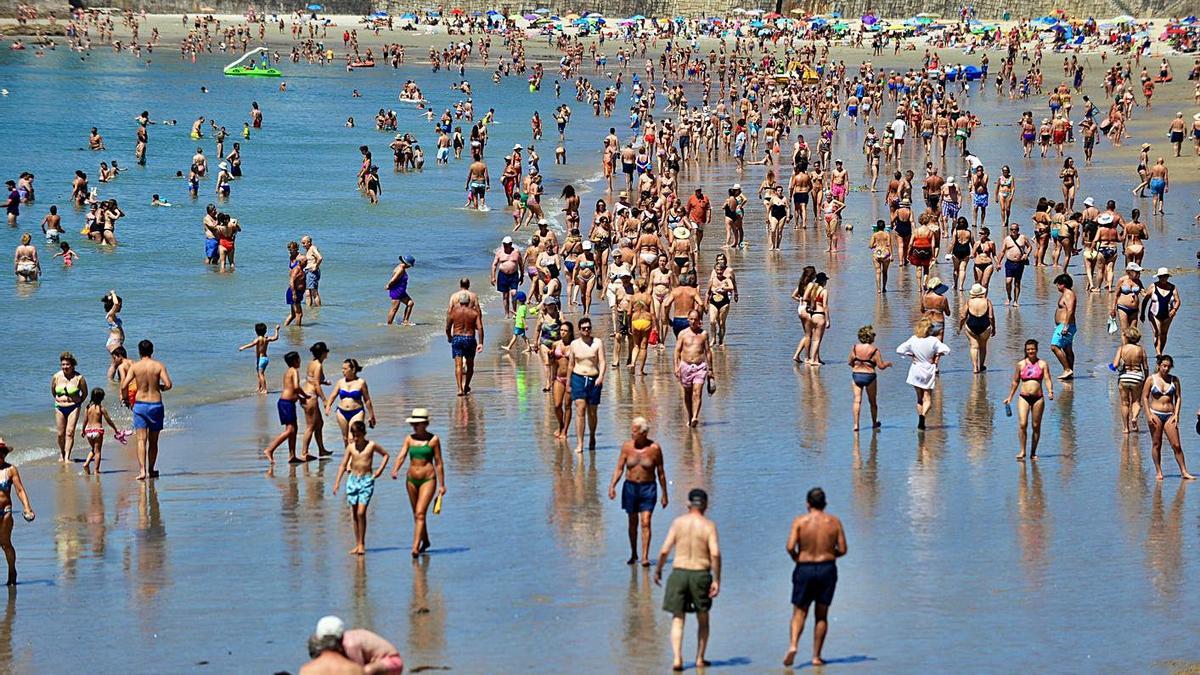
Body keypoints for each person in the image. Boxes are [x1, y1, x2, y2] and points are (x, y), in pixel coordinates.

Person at [655, 488, 721, 672]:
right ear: (706, 505)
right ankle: (700, 658)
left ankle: (677, 658)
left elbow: (664, 550)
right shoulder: (709, 526)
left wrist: (658, 570)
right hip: (700, 573)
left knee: (678, 618)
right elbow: (715, 553)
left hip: (679, 572)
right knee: (703, 618)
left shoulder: (678, 523)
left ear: (688, 504)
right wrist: (717, 579)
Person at [783, 487, 847, 668]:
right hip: (827, 568)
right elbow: (843, 549)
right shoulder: (834, 522)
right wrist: (829, 554)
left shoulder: (800, 521)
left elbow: (789, 546)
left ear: (807, 504)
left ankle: (794, 644)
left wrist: (797, 557)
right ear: (824, 504)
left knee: (799, 611)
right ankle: (816, 656)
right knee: (821, 614)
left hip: (804, 568)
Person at [607, 417, 668, 566]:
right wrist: (612, 485)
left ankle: (645, 556)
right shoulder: (627, 447)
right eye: (631, 431)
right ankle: (634, 553)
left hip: (648, 488)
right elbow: (619, 468)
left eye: (634, 432)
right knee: (632, 522)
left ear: (644, 433)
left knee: (646, 521)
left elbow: (661, 472)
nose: (631, 434)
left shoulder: (654, 449)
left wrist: (664, 494)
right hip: (630, 487)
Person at [390, 408, 446, 558]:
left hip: (428, 479)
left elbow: (439, 462)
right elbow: (401, 456)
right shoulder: (409, 439)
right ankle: (425, 541)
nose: (414, 427)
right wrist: (395, 469)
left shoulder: (433, 440)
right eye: (413, 424)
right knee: (417, 514)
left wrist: (442, 485)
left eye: (418, 424)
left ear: (425, 424)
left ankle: (415, 547)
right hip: (411, 480)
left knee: (421, 513)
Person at [333, 421, 389, 555]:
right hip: (352, 480)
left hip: (366, 480)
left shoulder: (371, 445)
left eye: (358, 435)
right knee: (354, 514)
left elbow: (386, 455)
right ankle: (357, 544)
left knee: (361, 512)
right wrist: (337, 482)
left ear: (364, 434)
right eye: (354, 435)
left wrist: (379, 471)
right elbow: (343, 465)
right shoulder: (351, 448)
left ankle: (362, 543)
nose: (356, 438)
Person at [120, 340, 172, 480]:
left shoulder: (135, 367)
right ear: (152, 350)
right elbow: (168, 385)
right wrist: (159, 388)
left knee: (141, 440)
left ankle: (142, 471)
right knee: (153, 441)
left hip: (140, 405)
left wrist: (125, 398)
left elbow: (124, 384)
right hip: (155, 404)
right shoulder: (158, 366)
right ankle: (151, 469)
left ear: (139, 351)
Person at [1141, 356, 1195, 481]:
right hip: (1155, 413)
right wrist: (1148, 415)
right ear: (1159, 365)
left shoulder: (1174, 380)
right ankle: (1159, 471)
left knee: (1176, 445)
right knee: (1156, 443)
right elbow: (1144, 397)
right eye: (1164, 366)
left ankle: (1184, 471)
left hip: (1170, 415)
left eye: (1169, 366)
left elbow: (1178, 397)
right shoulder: (1151, 379)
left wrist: (1177, 414)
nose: (1166, 368)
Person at [1004, 340, 1055, 461]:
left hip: (1038, 398)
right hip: (1023, 397)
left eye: (1033, 349)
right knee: (1023, 424)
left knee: (1036, 426)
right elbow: (1015, 382)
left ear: (1036, 350)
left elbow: (1047, 379)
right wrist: (1010, 397)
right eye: (1028, 349)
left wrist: (1050, 391)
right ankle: (1022, 451)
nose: (1031, 351)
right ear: (1025, 350)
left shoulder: (1042, 364)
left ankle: (1033, 452)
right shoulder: (1020, 364)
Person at [896, 318, 950, 430]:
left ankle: (920, 418)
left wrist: (911, 354)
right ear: (929, 329)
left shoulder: (913, 339)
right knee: (928, 397)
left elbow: (899, 350)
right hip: (928, 369)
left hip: (916, 368)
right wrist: (936, 356)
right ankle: (923, 416)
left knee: (919, 398)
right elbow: (946, 350)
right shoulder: (933, 340)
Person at [263, 352, 311, 464]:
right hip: (286, 403)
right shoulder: (294, 371)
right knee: (290, 430)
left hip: (286, 402)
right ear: (295, 361)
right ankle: (270, 449)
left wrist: (299, 397)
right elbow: (296, 386)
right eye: (299, 359)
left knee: (294, 429)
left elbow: (290, 389)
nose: (300, 361)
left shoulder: (288, 372)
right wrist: (305, 395)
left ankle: (292, 456)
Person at [568, 316, 606, 453]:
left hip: (594, 378)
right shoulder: (574, 344)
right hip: (578, 378)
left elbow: (602, 361)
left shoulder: (597, 343)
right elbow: (571, 364)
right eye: (583, 329)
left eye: (588, 328)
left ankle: (592, 436)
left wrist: (601, 376)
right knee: (580, 410)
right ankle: (580, 443)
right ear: (579, 330)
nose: (586, 331)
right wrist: (568, 382)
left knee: (592, 412)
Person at [0, 439, 34, 587]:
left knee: (5, 544)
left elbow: (20, 490)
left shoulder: (10, 469)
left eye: (1, 453)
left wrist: (27, 508)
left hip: (5, 512)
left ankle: (12, 571)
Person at [848, 325, 892, 431]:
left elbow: (850, 362)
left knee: (857, 401)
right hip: (870, 376)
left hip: (856, 375)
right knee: (872, 402)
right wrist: (888, 364)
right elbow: (881, 366)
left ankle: (856, 425)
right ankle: (874, 422)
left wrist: (858, 365)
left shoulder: (855, 348)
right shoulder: (874, 350)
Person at [674, 310, 714, 428]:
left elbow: (708, 352)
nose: (693, 322)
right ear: (688, 319)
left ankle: (696, 416)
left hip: (700, 367)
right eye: (691, 319)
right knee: (687, 394)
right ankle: (690, 416)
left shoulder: (704, 334)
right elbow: (677, 351)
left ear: (699, 321)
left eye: (695, 319)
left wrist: (711, 369)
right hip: (685, 366)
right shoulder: (682, 334)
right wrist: (676, 367)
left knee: (697, 392)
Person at [325, 359, 376, 447]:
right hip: (342, 412)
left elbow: (367, 399)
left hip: (357, 412)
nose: (342, 371)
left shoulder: (361, 383)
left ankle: (354, 457)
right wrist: (328, 406)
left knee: (351, 437)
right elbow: (333, 395)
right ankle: (348, 457)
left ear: (353, 370)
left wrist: (372, 415)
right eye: (342, 369)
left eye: (345, 369)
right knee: (345, 438)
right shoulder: (340, 382)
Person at [51, 352, 87, 462]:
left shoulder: (79, 378)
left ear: (72, 365)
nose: (65, 367)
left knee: (70, 432)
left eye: (67, 364)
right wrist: (59, 400)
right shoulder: (56, 376)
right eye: (63, 364)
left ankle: (67, 456)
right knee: (60, 434)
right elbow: (53, 391)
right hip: (59, 407)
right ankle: (61, 453)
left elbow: (84, 393)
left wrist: (78, 402)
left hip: (74, 407)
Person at [446, 291, 483, 396]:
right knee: (470, 365)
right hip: (470, 338)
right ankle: (466, 385)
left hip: (457, 338)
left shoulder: (453, 312)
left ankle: (459, 389)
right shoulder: (474, 313)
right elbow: (480, 328)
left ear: (459, 302)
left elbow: (448, 327)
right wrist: (481, 343)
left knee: (458, 365)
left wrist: (449, 337)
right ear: (468, 301)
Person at [1112, 327, 1148, 434]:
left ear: (1127, 337)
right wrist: (1146, 379)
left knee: (1124, 403)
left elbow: (1115, 365)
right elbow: (1145, 367)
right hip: (1137, 377)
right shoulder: (1141, 350)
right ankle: (1135, 418)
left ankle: (1126, 428)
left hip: (1124, 376)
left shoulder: (1122, 349)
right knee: (1136, 401)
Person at [81, 388, 121, 473]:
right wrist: (115, 429)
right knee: (98, 451)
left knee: (93, 449)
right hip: (97, 431)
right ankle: (96, 470)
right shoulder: (101, 408)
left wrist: (83, 430)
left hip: (89, 431)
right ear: (102, 398)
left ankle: (87, 463)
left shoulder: (87, 407)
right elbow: (108, 420)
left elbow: (85, 420)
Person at [959, 283, 996, 373]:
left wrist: (960, 327)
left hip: (971, 325)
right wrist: (994, 328)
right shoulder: (987, 301)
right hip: (985, 325)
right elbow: (991, 316)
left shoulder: (969, 302)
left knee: (974, 346)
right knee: (983, 346)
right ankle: (981, 365)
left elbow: (963, 316)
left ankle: (975, 368)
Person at [1144, 268, 1179, 356]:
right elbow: (1145, 300)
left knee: (1164, 334)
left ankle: (1161, 353)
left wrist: (1174, 309)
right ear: (1158, 277)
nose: (1163, 278)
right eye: (1161, 277)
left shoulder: (1172, 288)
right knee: (1157, 333)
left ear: (1168, 277)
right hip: (1154, 314)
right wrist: (1142, 313)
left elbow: (1178, 301)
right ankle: (1158, 352)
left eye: (1165, 277)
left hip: (1168, 315)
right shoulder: (1153, 286)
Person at [238, 322, 280, 395]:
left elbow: (252, 344)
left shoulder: (258, 339)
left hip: (261, 359)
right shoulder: (266, 339)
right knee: (259, 374)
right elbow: (275, 338)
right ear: (265, 331)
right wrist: (277, 330)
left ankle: (264, 389)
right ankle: (259, 388)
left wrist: (243, 347)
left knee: (261, 374)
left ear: (256, 331)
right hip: (265, 358)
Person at [1050, 274, 1077, 379]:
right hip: (1065, 325)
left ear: (1063, 284)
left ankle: (1067, 369)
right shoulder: (1066, 294)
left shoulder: (1069, 294)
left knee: (1054, 346)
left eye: (1058, 284)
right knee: (1067, 349)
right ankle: (1070, 372)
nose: (1057, 286)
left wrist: (1065, 326)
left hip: (1066, 325)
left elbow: (1070, 310)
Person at [1000, 223, 1031, 306]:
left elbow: (1029, 247)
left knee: (1017, 282)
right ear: (1010, 230)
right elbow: (1002, 251)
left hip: (1019, 263)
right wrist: (998, 263)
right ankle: (1009, 297)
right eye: (1012, 229)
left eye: (1016, 229)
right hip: (1009, 262)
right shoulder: (1007, 239)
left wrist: (1026, 254)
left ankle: (1016, 301)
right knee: (1008, 281)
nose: (1014, 231)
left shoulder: (1023, 238)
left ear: (1018, 230)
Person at [491, 236, 522, 317]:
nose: (505, 246)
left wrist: (522, 275)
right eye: (504, 244)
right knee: (505, 295)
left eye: (507, 244)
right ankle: (507, 313)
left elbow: (521, 264)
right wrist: (493, 277)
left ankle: (514, 312)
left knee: (514, 293)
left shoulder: (516, 252)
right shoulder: (499, 252)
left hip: (514, 275)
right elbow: (494, 265)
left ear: (511, 244)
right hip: (503, 275)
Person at [386, 255, 416, 325]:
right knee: (394, 309)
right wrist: (388, 285)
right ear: (407, 264)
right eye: (410, 265)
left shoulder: (401, 267)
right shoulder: (400, 270)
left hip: (401, 291)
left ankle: (405, 321)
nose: (410, 267)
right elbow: (393, 280)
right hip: (396, 291)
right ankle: (389, 324)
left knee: (410, 303)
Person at [302, 236, 323, 307]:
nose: (303, 245)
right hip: (307, 272)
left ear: (309, 242)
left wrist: (315, 266)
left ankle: (318, 309)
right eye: (302, 243)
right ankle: (309, 310)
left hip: (312, 273)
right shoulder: (308, 250)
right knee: (307, 293)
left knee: (314, 292)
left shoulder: (313, 248)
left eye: (304, 243)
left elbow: (320, 257)